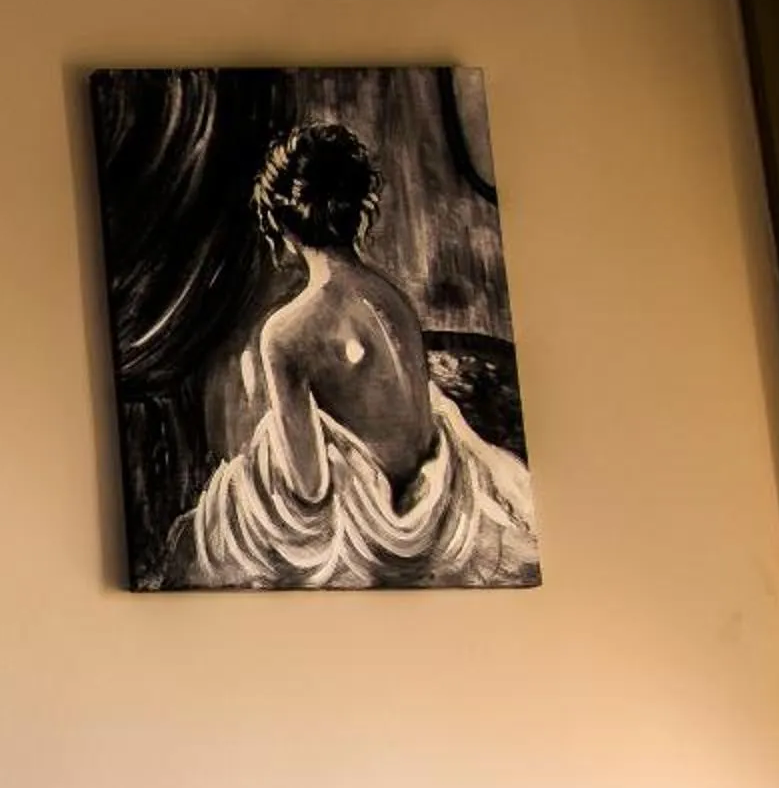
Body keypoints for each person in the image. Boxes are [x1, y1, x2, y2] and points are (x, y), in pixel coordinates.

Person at [164, 122, 538, 589]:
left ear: (281, 226)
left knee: (222, 512)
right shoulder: (393, 300)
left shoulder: (284, 333)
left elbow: (309, 487)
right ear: (355, 209)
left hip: (371, 530)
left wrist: (267, 443)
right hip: (434, 503)